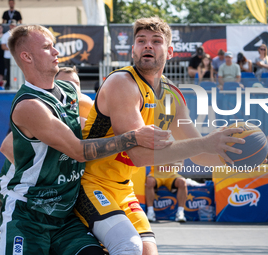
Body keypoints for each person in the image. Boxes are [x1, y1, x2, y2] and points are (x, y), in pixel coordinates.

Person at [74, 17, 244, 255]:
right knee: (128, 246)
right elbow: (140, 156)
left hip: (123, 188)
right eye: (141, 40)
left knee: (148, 251)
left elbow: (201, 155)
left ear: (170, 51)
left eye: (156, 41)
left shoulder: (172, 96)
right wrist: (206, 142)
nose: (148, 45)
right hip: (89, 183)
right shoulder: (122, 83)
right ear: (133, 49)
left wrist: (239, 157)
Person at [0, 24, 171, 255]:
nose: (56, 52)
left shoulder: (70, 93)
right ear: (27, 56)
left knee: (126, 248)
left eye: (54, 46)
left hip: (65, 214)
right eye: (48, 47)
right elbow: (78, 151)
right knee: (127, 245)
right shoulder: (29, 106)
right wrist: (133, 137)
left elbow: (95, 125)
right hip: (29, 212)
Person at [1, 20, 17, 89]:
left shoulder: (18, 35)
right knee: (8, 71)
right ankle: (8, 85)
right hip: (8, 56)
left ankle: (16, 84)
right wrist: (13, 48)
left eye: (13, 25)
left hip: (16, 56)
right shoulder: (5, 35)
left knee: (17, 71)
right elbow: (3, 46)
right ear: (9, 26)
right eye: (11, 25)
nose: (12, 26)